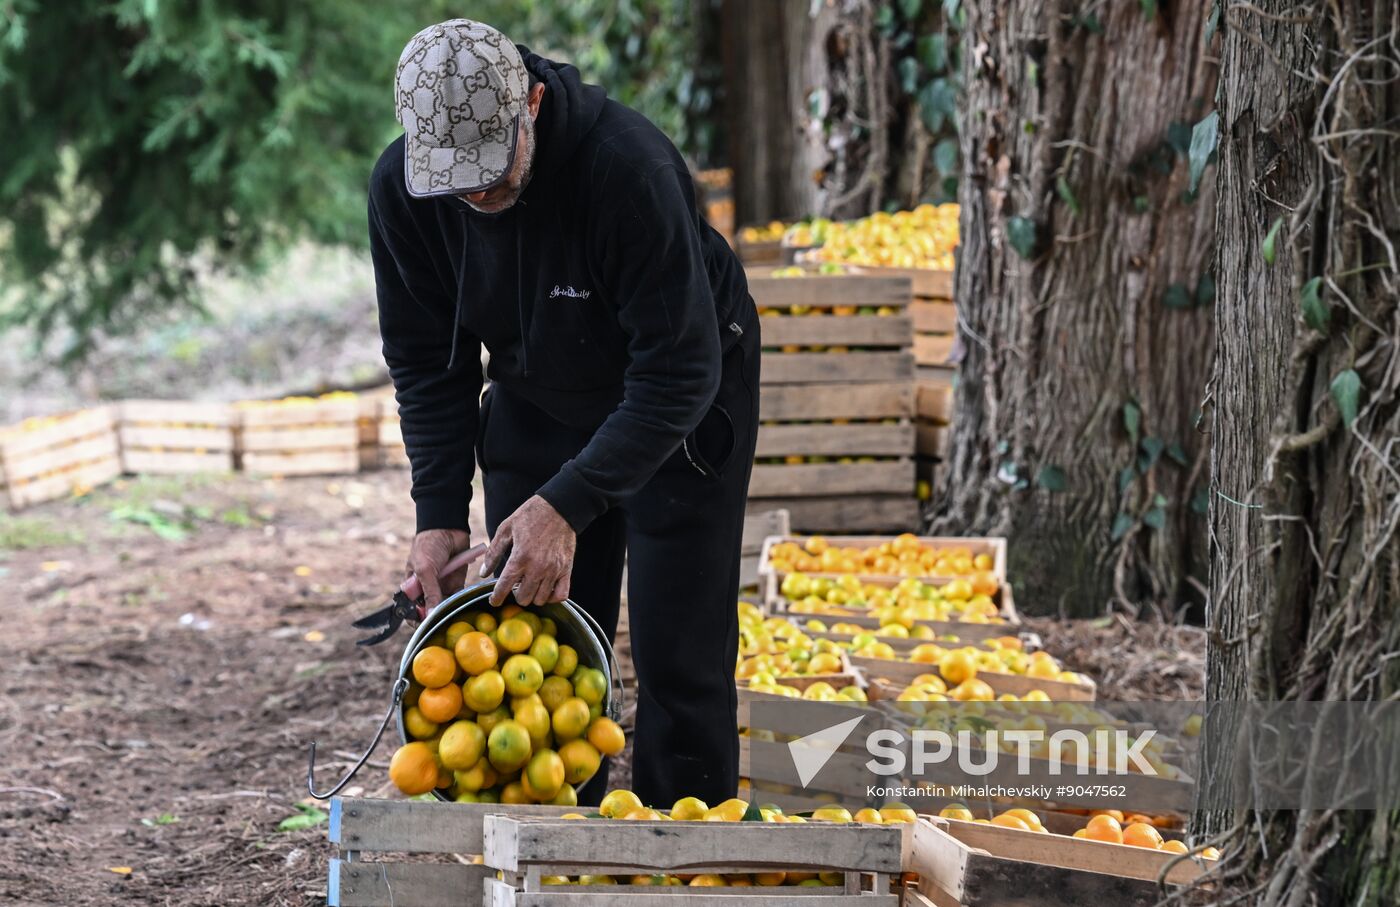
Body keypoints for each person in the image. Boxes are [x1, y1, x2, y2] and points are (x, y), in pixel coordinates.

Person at [368, 19, 759, 807]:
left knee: (676, 649)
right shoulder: (405, 191)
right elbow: (428, 363)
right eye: (453, 175)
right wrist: (437, 511)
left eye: (489, 166)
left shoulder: (627, 170)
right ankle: (553, 859)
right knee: (532, 644)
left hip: (680, 397)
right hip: (536, 395)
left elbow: (680, 366)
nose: (475, 191)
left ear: (534, 104)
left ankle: (682, 860)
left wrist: (570, 503)